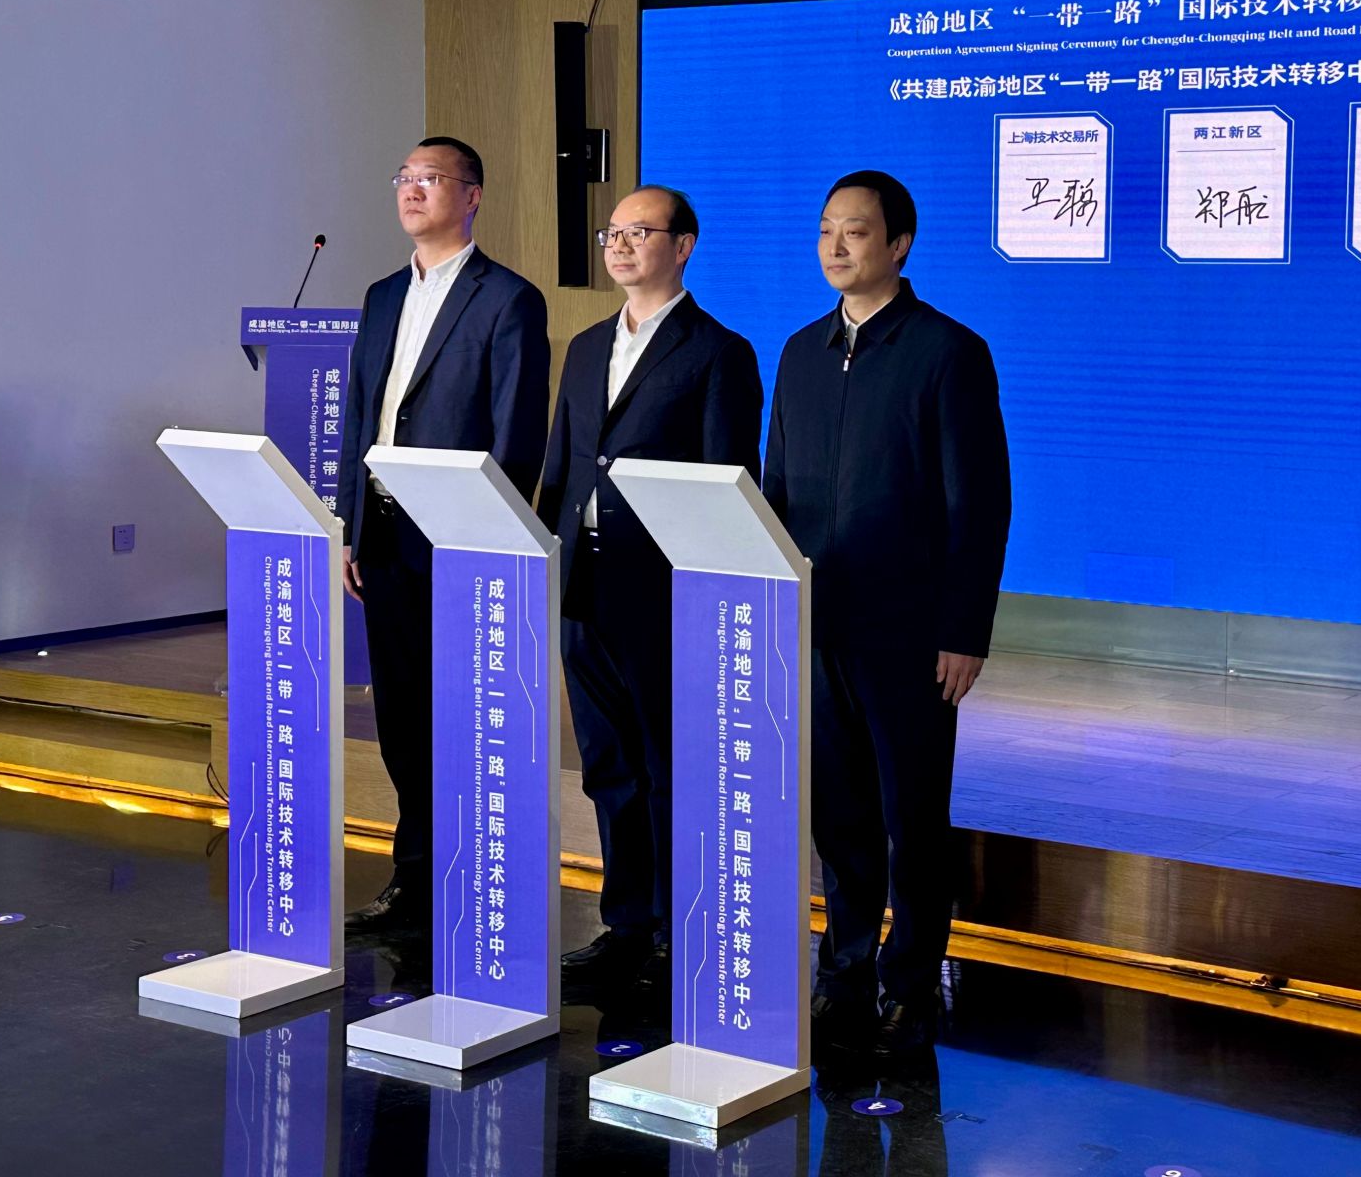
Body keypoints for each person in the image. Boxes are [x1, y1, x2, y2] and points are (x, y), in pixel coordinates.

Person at [763, 170, 1010, 1058]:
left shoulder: (948, 352)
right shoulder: (800, 352)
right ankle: (844, 976)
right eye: (826, 229)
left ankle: (910, 986)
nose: (835, 246)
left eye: (856, 231)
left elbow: (979, 505)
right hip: (820, 625)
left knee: (913, 818)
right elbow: (777, 490)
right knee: (839, 819)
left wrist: (963, 631)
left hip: (909, 634)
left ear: (899, 245)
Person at [538, 185, 764, 996]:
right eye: (613, 233)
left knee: (671, 765)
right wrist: (544, 562)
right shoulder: (585, 346)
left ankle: (680, 929)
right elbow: (562, 467)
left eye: (641, 232)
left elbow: (728, 481)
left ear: (684, 245)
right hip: (583, 586)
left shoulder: (718, 352)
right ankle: (627, 924)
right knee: (608, 765)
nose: (621, 245)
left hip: (665, 593)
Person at [339, 135, 549, 933]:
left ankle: (476, 874)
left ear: (472, 196)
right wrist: (349, 525)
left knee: (463, 714)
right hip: (384, 535)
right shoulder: (382, 295)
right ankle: (416, 877)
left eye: (431, 178)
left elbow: (517, 432)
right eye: (405, 177)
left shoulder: (507, 298)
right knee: (401, 714)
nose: (412, 190)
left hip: (459, 540)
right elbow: (361, 416)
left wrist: (489, 535)